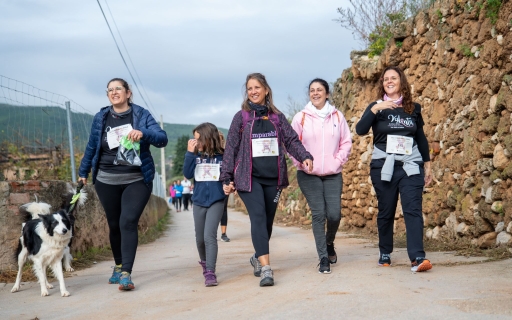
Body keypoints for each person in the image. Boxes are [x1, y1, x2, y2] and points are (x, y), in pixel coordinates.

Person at [220, 73, 313, 287]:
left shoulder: (277, 118)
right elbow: (231, 148)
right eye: (249, 88)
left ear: (266, 90)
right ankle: (266, 269)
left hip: (273, 177)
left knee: (267, 223)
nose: (253, 91)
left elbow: (291, 140)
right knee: (258, 217)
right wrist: (227, 177)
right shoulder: (241, 117)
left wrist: (305, 156)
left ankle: (256, 257)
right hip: (248, 178)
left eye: (257, 87)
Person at [78, 78, 168, 290]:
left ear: (128, 93)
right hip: (106, 179)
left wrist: (143, 133)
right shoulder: (101, 117)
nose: (114, 92)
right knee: (114, 224)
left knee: (128, 221)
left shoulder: (141, 115)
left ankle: (126, 272)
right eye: (110, 90)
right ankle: (118, 265)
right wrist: (83, 171)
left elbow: (161, 138)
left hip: (136, 178)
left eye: (118, 88)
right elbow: (92, 146)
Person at [355, 66, 433, 272]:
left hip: (410, 164)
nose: (389, 81)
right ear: (382, 83)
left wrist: (428, 164)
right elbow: (360, 130)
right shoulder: (376, 107)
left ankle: (417, 257)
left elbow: (421, 138)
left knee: (413, 209)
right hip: (384, 165)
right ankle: (385, 251)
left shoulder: (413, 108)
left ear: (401, 82)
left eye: (394, 78)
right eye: (386, 79)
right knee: (386, 210)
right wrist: (375, 109)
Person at [291, 78, 352, 274]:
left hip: (333, 174)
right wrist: (301, 161)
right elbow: (291, 145)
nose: (315, 93)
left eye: (319, 90)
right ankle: (323, 258)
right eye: (312, 90)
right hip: (308, 174)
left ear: (327, 93)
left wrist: (338, 161)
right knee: (319, 214)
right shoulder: (300, 117)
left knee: (334, 214)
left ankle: (329, 242)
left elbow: (346, 142)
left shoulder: (337, 117)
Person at [183, 122, 226, 286]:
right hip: (199, 201)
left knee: (209, 236)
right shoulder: (194, 156)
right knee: (200, 239)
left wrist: (229, 184)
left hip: (216, 200)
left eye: (198, 140)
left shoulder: (223, 156)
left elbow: (228, 175)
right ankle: (204, 261)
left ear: (208, 139)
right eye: (194, 140)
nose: (196, 143)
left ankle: (210, 271)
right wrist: (190, 153)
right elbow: (187, 174)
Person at [218, 131, 230, 242]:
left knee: (223, 208)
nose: (220, 141)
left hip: (225, 183)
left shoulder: (227, 154)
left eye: (222, 139)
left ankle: (223, 233)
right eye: (218, 138)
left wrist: (232, 184)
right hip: (213, 184)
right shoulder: (208, 153)